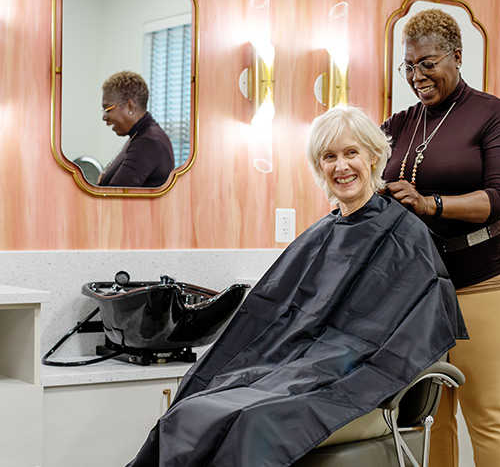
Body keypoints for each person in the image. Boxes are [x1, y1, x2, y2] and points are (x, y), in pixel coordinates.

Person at [127, 107, 467, 467]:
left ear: (373, 156)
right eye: (329, 157)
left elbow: (408, 333)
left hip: (350, 379)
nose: (341, 166)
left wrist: (321, 364)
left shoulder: (406, 236)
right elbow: (273, 314)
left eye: (351, 153)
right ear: (319, 166)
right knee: (194, 403)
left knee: (251, 422)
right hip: (289, 369)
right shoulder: (322, 233)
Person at [382, 9, 500, 467]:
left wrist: (429, 204)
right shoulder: (402, 123)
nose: (416, 76)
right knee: (432, 414)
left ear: (457, 57)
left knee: (484, 410)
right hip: (424, 286)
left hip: (485, 278)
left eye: (427, 63)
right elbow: (364, 172)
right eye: (408, 65)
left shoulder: (493, 114)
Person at [97, 71, 175, 187]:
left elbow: (115, 196)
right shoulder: (140, 135)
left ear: (130, 106)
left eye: (108, 110)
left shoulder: (147, 143)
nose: (104, 117)